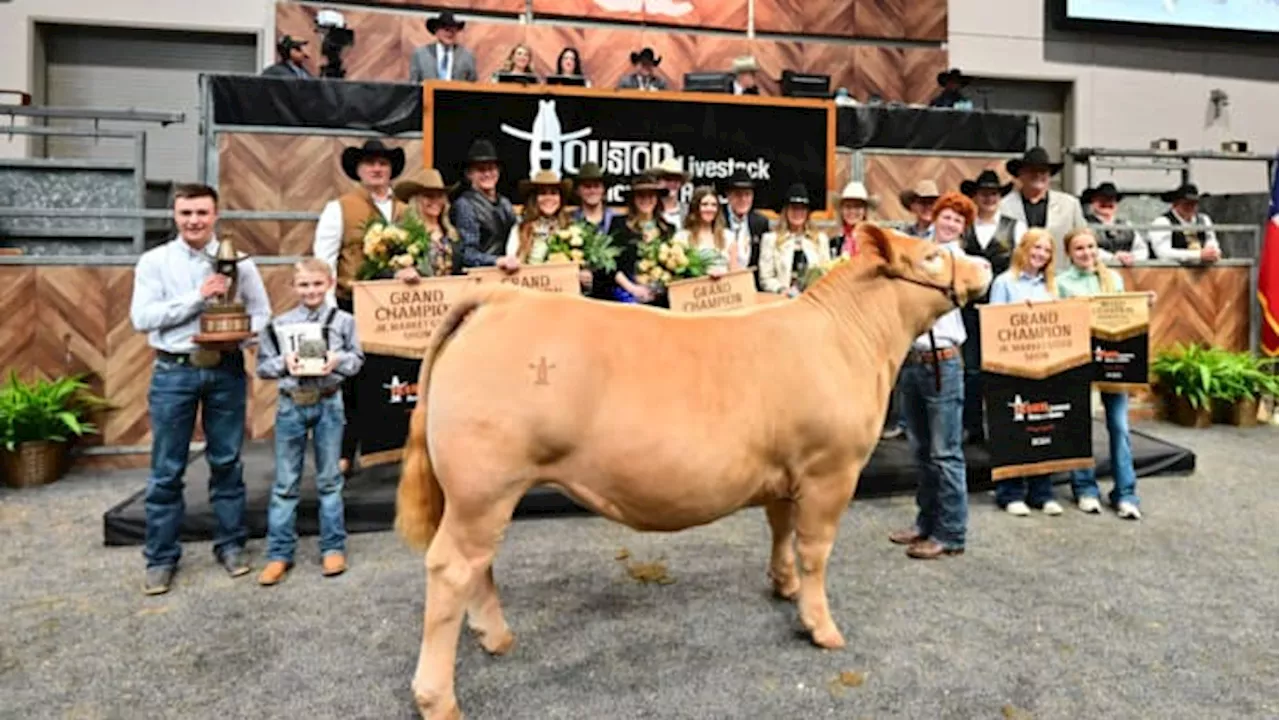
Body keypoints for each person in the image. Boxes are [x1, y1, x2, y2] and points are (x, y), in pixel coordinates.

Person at [129, 183, 272, 595]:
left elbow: (262, 313)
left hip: (226, 369)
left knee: (227, 461)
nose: (193, 221)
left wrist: (240, 335)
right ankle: (160, 558)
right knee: (166, 469)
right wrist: (198, 297)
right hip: (174, 371)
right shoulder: (154, 262)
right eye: (186, 213)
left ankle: (231, 546)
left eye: (201, 213)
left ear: (215, 216)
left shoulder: (240, 263)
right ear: (174, 216)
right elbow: (143, 317)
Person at [255, 257, 365, 586]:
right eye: (304, 284)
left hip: (329, 401)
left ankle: (333, 547)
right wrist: (285, 363)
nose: (311, 290)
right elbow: (263, 366)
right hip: (292, 404)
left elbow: (358, 360)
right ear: (293, 287)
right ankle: (278, 554)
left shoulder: (344, 322)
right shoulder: (279, 324)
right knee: (286, 483)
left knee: (330, 480)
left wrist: (337, 360)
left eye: (317, 284)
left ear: (329, 283)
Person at [888, 191, 982, 560]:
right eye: (946, 217)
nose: (950, 224)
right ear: (936, 217)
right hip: (914, 357)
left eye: (958, 221)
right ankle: (925, 523)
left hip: (943, 360)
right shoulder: (916, 252)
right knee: (921, 449)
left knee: (945, 452)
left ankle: (952, 533)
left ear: (963, 230)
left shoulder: (963, 263)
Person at [312, 139, 407, 476]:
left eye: (382, 163)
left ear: (391, 169)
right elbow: (324, 261)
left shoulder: (406, 210)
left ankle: (393, 450)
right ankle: (344, 452)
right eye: (370, 164)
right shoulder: (339, 208)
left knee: (393, 379)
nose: (377, 169)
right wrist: (328, 312)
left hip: (397, 308)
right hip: (352, 304)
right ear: (359, 170)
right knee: (351, 381)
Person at [1057, 228, 1148, 520]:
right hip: (1079, 360)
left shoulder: (1113, 278)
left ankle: (1126, 493)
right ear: (1069, 253)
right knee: (1080, 425)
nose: (1087, 253)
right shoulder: (1060, 283)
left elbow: (1124, 316)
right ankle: (1085, 488)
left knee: (1119, 427)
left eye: (1091, 247)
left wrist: (1143, 306)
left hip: (1112, 362)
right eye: (1080, 248)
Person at [986, 228, 1064, 517]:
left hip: (1045, 368)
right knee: (1014, 430)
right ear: (1024, 248)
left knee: (1043, 428)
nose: (1041, 254)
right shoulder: (1004, 282)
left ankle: (1042, 493)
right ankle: (1010, 492)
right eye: (1037, 248)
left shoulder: (1051, 287)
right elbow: (995, 323)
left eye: (1047, 251)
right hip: (1012, 368)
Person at [959, 169, 1024, 444]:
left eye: (994, 193)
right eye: (984, 193)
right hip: (969, 307)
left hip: (1002, 307)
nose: (989, 198)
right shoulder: (963, 228)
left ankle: (1001, 426)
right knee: (972, 370)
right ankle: (972, 427)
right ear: (975, 196)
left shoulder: (1016, 226)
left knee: (1001, 370)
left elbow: (1021, 265)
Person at [504, 169, 593, 293]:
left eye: (553, 193)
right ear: (534, 198)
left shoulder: (572, 229)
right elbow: (510, 268)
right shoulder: (520, 230)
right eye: (543, 193)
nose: (549, 198)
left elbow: (584, 275)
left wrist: (585, 278)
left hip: (564, 299)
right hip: (529, 297)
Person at [997, 147, 1087, 259]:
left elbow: (1085, 240)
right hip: (1018, 273)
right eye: (1032, 170)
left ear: (1050, 175)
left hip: (1059, 273)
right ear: (1020, 174)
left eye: (1043, 171)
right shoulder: (1002, 207)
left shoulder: (1070, 205)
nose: (1038, 175)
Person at [604, 170, 671, 304]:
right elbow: (610, 264)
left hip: (658, 298)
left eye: (651, 195)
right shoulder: (619, 224)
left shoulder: (668, 229)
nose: (646, 200)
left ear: (657, 199)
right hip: (626, 294)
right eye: (641, 195)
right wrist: (633, 289)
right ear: (633, 199)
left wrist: (656, 290)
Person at [451, 138, 518, 271]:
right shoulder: (465, 205)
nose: (487, 174)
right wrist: (497, 261)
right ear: (469, 174)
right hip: (478, 277)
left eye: (491, 168)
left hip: (508, 272)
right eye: (481, 169)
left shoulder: (505, 203)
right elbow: (466, 253)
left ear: (498, 172)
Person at [759, 183, 829, 296]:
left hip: (811, 300)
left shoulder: (820, 240)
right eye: (793, 208)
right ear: (786, 211)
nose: (798, 212)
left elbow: (826, 273)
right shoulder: (770, 239)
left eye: (802, 208)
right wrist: (780, 289)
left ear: (807, 213)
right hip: (782, 300)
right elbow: (766, 277)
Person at [392, 167, 461, 279]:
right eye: (429, 196)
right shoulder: (403, 232)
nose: (435, 201)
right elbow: (385, 268)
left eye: (439, 196)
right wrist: (399, 273)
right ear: (417, 200)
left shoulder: (451, 232)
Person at [1148, 183, 1222, 264]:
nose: (1191, 207)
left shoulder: (1204, 220)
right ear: (1175, 204)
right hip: (1171, 273)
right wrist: (1198, 255)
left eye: (1194, 203)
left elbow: (1212, 241)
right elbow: (1163, 253)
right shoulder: (1162, 222)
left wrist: (1213, 253)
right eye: (1186, 204)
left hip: (1202, 271)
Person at [721, 169, 769, 289]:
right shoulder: (718, 218)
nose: (743, 199)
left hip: (749, 285)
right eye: (738, 194)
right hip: (721, 285)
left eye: (747, 194)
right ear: (728, 196)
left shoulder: (760, 222)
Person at [1081, 182, 1149, 266]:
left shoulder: (1127, 224)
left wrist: (1132, 257)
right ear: (1093, 201)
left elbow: (1141, 249)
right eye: (1101, 199)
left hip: (1127, 272)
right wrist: (1113, 258)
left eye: (1111, 199)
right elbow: (1085, 249)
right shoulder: (1084, 224)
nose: (1107, 203)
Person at [673, 185, 737, 273]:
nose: (709, 209)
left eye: (714, 205)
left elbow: (734, 273)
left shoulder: (728, 236)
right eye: (704, 204)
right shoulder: (681, 238)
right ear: (695, 207)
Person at [409, 11, 477, 83]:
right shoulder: (421, 54)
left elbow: (473, 84)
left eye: (453, 29)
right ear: (436, 30)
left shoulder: (467, 55)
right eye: (446, 29)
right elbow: (414, 84)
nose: (449, 33)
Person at [833, 181, 877, 258]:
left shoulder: (874, 241)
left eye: (857, 207)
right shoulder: (835, 243)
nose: (852, 211)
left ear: (865, 211)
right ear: (841, 210)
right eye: (848, 206)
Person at [571, 162, 615, 233]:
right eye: (587, 186)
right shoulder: (571, 220)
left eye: (596, 186)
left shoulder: (616, 219)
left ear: (603, 190)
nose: (592, 191)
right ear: (577, 191)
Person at [653, 158, 689, 227]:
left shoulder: (689, 211)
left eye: (676, 179)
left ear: (681, 183)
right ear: (657, 181)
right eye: (668, 179)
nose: (672, 183)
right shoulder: (648, 209)